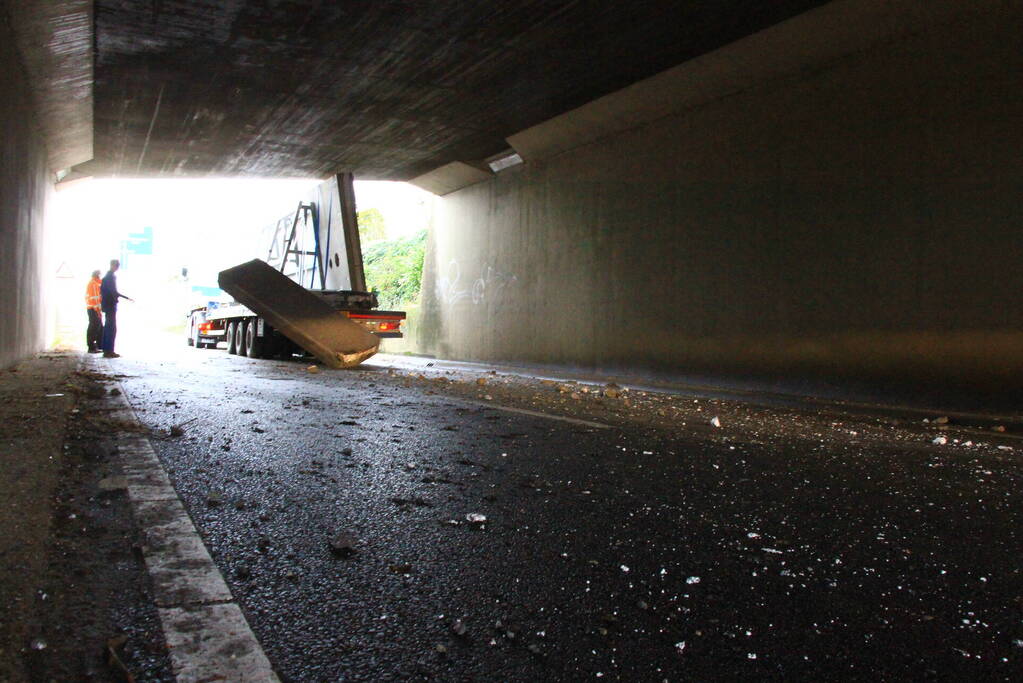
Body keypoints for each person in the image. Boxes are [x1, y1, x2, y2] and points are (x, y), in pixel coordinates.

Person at [100, 259, 133, 358]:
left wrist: (125, 297)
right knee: (111, 328)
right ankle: (109, 350)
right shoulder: (110, 277)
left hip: (107, 305)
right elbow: (113, 292)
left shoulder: (107, 277)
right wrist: (124, 297)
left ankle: (107, 349)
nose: (117, 268)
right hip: (110, 305)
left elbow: (111, 291)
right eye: (117, 266)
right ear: (114, 266)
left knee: (108, 327)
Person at [85, 270, 103, 353]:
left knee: (97, 327)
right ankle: (91, 347)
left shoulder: (93, 283)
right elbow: (96, 299)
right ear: (97, 275)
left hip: (92, 308)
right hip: (93, 309)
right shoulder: (94, 284)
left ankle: (96, 345)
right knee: (93, 327)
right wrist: (98, 311)